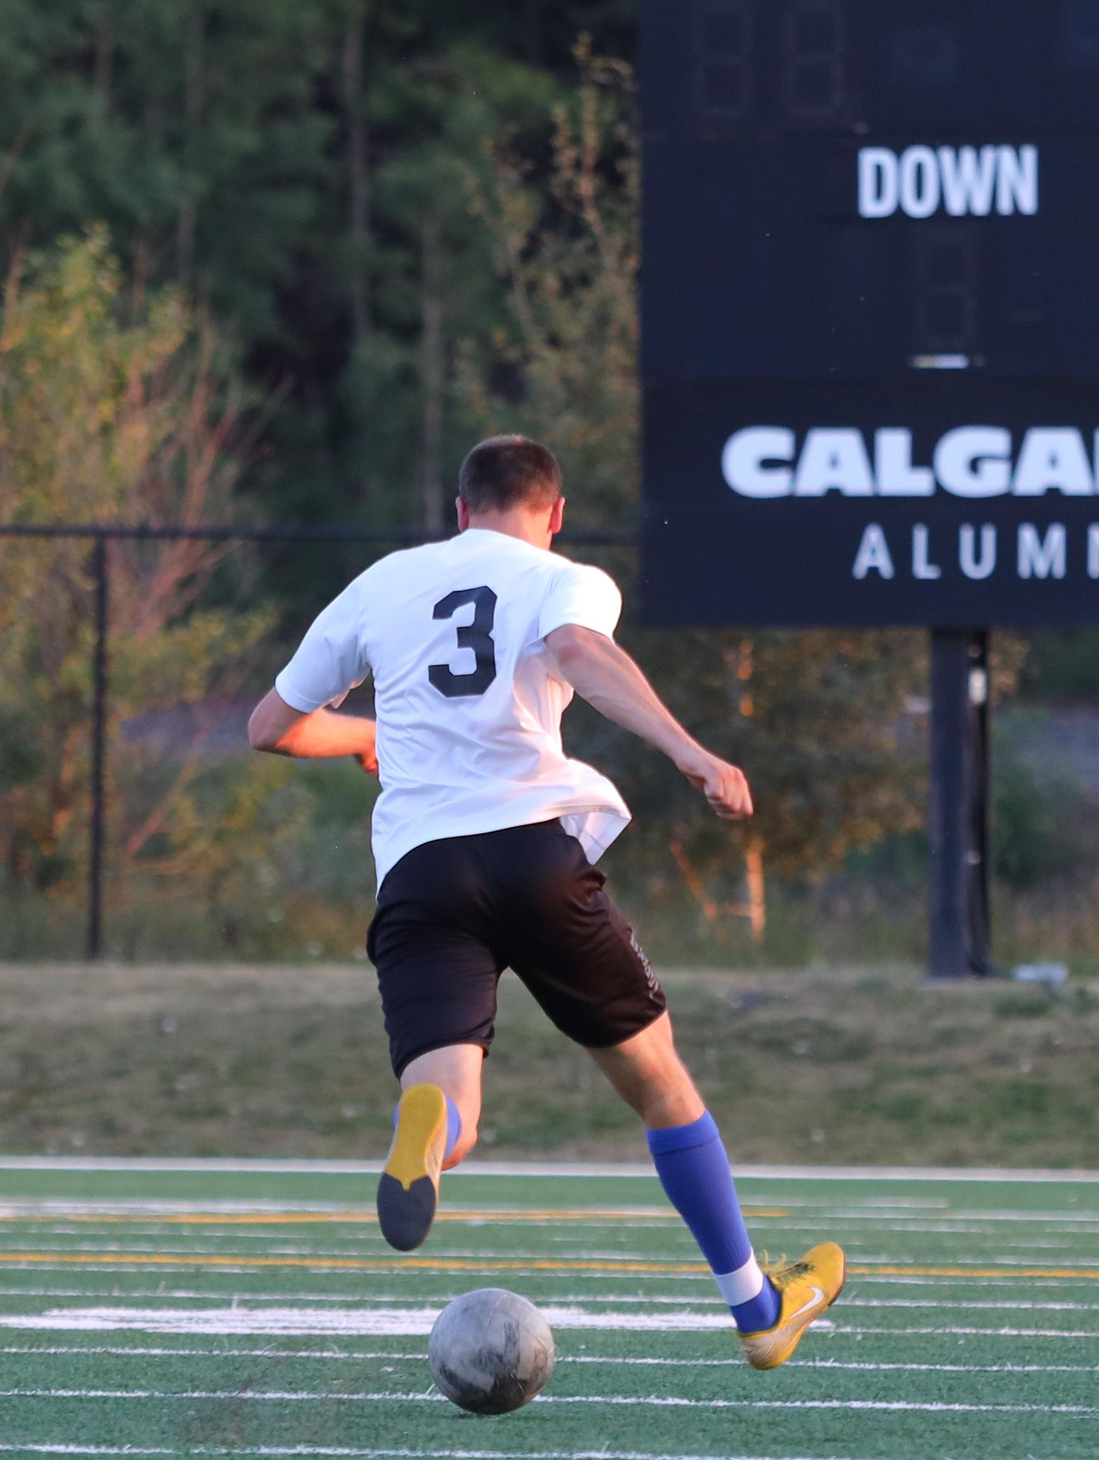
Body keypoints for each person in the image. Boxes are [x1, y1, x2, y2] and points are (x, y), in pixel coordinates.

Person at [246, 434, 844, 1370]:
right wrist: (692, 752)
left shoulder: (381, 582)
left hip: (421, 873)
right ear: (554, 514)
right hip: (534, 854)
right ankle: (758, 1308)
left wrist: (373, 733)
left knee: (456, 1109)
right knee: (659, 1084)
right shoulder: (566, 578)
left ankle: (425, 1133)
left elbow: (269, 727)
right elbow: (576, 651)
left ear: (458, 512)